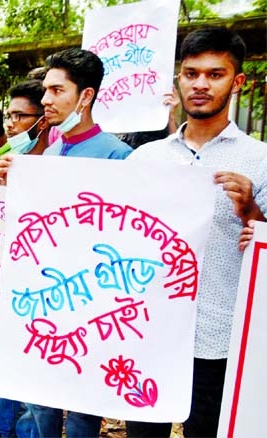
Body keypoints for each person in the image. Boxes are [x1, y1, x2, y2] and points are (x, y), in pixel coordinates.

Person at [124, 27, 267, 438]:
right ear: (179, 79)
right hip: (147, 332)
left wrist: (252, 211)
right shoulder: (145, 158)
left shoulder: (258, 162)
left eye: (215, 74)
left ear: (237, 81)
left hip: (218, 340)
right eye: (191, 73)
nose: (201, 84)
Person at [0, 47, 130, 438]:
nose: (45, 100)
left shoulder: (119, 156)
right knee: (40, 399)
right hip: (46, 297)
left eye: (57, 90)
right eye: (45, 91)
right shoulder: (51, 152)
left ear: (85, 96)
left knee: (82, 408)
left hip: (91, 303)